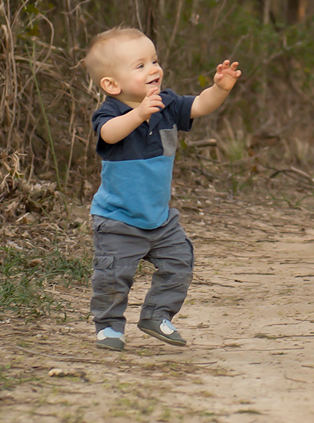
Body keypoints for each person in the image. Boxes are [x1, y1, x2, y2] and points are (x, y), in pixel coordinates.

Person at [84, 26, 242, 350]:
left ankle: (157, 314)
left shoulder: (167, 104)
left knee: (180, 262)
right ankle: (109, 326)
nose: (153, 69)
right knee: (113, 277)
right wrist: (139, 114)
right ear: (111, 84)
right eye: (139, 65)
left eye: (154, 60)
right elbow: (109, 134)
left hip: (159, 219)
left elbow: (199, 105)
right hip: (118, 220)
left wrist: (220, 88)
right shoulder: (111, 112)